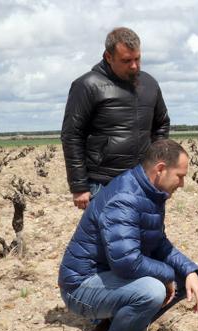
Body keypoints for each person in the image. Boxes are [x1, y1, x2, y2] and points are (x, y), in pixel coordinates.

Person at [58, 139, 198, 331]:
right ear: (160, 169)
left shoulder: (151, 193)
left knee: (180, 279)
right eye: (180, 176)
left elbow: (158, 243)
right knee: (153, 290)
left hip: (108, 278)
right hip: (81, 287)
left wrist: (188, 271)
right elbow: (126, 262)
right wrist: (165, 276)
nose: (183, 183)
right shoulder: (125, 198)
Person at [61, 27, 170, 210]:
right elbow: (72, 135)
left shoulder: (150, 84)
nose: (134, 65)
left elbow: (161, 124)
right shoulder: (87, 85)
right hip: (103, 183)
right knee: (111, 237)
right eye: (126, 60)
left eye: (137, 59)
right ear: (108, 57)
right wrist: (79, 186)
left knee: (148, 236)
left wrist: (155, 162)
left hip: (143, 180)